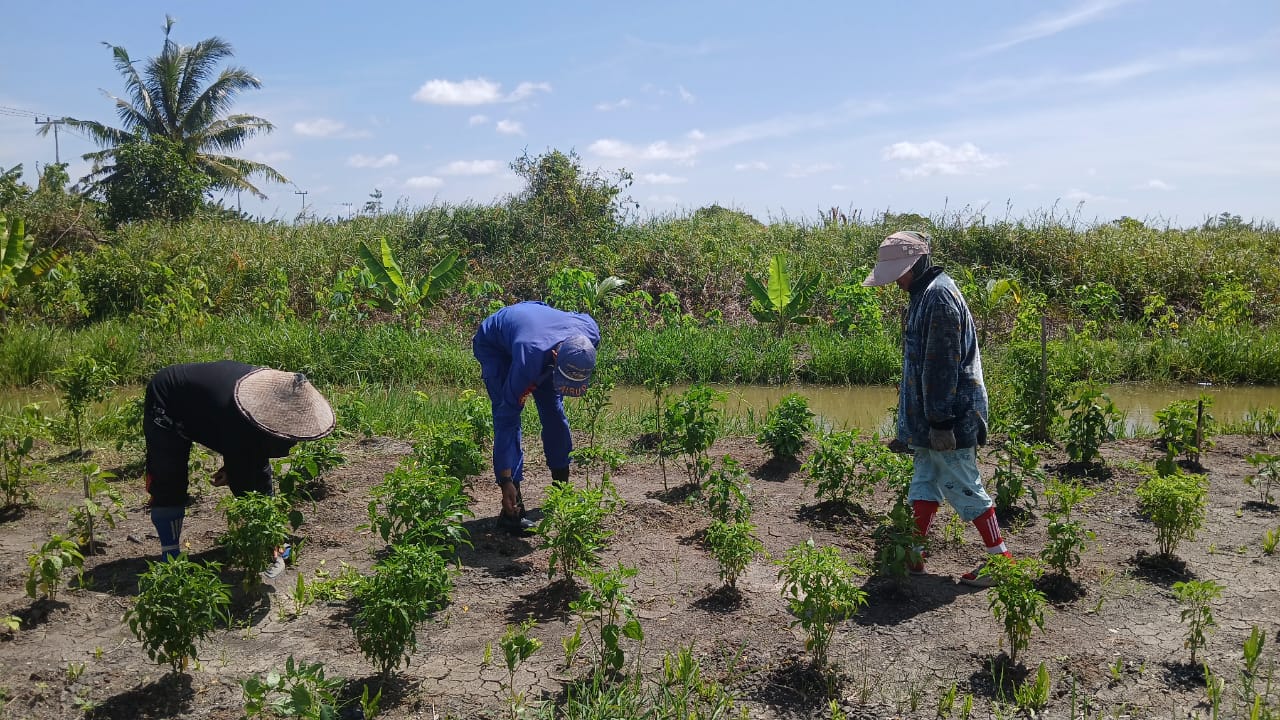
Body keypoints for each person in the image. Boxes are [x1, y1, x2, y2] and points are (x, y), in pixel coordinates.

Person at [863, 230, 1011, 586]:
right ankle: (914, 554)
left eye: (899, 272)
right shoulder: (924, 294)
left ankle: (1002, 562)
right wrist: (912, 425)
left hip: (950, 417)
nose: (895, 281)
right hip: (930, 418)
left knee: (964, 484)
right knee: (925, 480)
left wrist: (940, 422)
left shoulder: (939, 298)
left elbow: (941, 366)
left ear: (917, 263)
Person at [143, 361, 335, 567]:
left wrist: (272, 531)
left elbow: (254, 458)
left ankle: (269, 539)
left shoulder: (264, 398)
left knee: (249, 464)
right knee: (168, 477)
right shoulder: (241, 410)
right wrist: (235, 471)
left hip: (213, 408)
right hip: (168, 399)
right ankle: (170, 557)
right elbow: (247, 469)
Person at [472, 301, 600, 532]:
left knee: (554, 412)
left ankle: (561, 493)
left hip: (538, 335)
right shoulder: (528, 359)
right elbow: (506, 419)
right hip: (496, 345)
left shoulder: (589, 335)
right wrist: (505, 479)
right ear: (555, 356)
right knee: (509, 413)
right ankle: (512, 510)